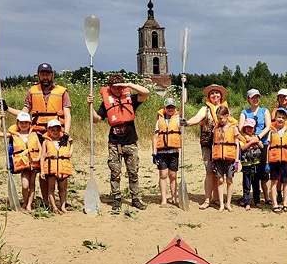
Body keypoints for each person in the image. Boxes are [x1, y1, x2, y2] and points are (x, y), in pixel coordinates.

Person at [3, 63, 72, 203]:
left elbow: (67, 114)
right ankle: (46, 201)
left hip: (56, 135)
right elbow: (24, 113)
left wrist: (66, 134)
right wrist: (7, 108)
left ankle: (60, 200)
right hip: (38, 134)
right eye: (42, 74)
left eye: (47, 74)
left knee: (58, 165)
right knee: (42, 168)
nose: (45, 77)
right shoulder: (32, 91)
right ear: (38, 75)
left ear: (52, 75)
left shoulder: (62, 92)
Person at [88, 73, 151, 214]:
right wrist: (90, 106)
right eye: (114, 87)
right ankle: (117, 199)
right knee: (115, 173)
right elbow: (96, 119)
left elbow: (146, 93)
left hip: (130, 142)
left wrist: (128, 85)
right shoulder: (107, 102)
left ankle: (135, 199)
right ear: (109, 88)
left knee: (133, 172)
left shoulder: (131, 99)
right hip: (114, 143)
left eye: (120, 87)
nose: (117, 90)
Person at [183, 84, 230, 209]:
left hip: (222, 145)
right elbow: (197, 118)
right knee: (209, 172)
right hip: (208, 144)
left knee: (219, 173)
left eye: (217, 93)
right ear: (209, 96)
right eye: (212, 93)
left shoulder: (225, 109)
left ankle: (216, 198)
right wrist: (187, 123)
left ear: (221, 95)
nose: (215, 95)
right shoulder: (205, 109)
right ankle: (207, 199)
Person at [0, 112, 40, 211]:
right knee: (25, 185)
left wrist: (39, 157)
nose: (24, 125)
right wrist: (0, 119)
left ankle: (29, 204)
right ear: (18, 123)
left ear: (29, 123)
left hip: (33, 163)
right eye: (21, 123)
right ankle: (25, 201)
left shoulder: (34, 134)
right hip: (22, 164)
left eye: (26, 123)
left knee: (32, 184)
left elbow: (40, 149)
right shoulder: (14, 135)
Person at [239, 89, 272, 204]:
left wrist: (257, 138)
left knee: (262, 172)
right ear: (248, 99)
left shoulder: (265, 111)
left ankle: (266, 197)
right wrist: (248, 138)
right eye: (253, 97)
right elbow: (240, 129)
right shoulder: (244, 112)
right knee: (248, 172)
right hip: (248, 146)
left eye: (257, 96)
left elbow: (268, 126)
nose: (256, 99)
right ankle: (247, 197)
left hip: (262, 144)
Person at [40, 119, 73, 213]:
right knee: (51, 189)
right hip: (51, 169)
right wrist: (42, 170)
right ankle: (54, 207)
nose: (55, 132)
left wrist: (71, 144)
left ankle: (62, 206)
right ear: (48, 131)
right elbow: (42, 157)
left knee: (63, 189)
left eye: (57, 130)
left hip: (63, 169)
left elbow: (69, 154)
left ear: (60, 130)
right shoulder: (46, 142)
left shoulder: (64, 141)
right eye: (52, 130)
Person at [153, 98, 181, 207]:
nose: (170, 109)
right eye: (168, 107)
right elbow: (155, 137)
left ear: (175, 108)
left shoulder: (178, 119)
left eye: (172, 107)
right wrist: (154, 152)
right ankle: (164, 199)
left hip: (173, 151)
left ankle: (174, 197)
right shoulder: (159, 120)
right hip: (161, 152)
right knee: (163, 174)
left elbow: (182, 132)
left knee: (173, 175)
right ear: (165, 108)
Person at [267, 108, 287, 212]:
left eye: (283, 118)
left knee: (285, 182)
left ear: (286, 119)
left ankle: (285, 203)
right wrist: (267, 163)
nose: (280, 119)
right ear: (275, 118)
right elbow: (268, 147)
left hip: (286, 160)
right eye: (279, 117)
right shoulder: (271, 131)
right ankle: (275, 204)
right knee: (274, 182)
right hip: (274, 161)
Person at [211, 105, 239, 211]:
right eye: (218, 118)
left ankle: (228, 203)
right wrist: (213, 159)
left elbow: (237, 145)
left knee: (229, 180)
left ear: (227, 116)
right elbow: (214, 144)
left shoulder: (233, 128)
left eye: (221, 118)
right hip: (218, 158)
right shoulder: (216, 129)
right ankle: (221, 204)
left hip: (230, 158)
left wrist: (236, 161)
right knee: (220, 180)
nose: (220, 120)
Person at [238, 117, 263, 210]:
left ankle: (257, 201)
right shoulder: (242, 138)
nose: (249, 129)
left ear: (254, 128)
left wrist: (255, 140)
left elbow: (261, 146)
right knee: (246, 185)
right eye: (247, 127)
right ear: (244, 128)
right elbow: (242, 148)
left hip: (256, 164)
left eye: (251, 127)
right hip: (246, 165)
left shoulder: (256, 137)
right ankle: (247, 202)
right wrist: (250, 142)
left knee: (256, 185)